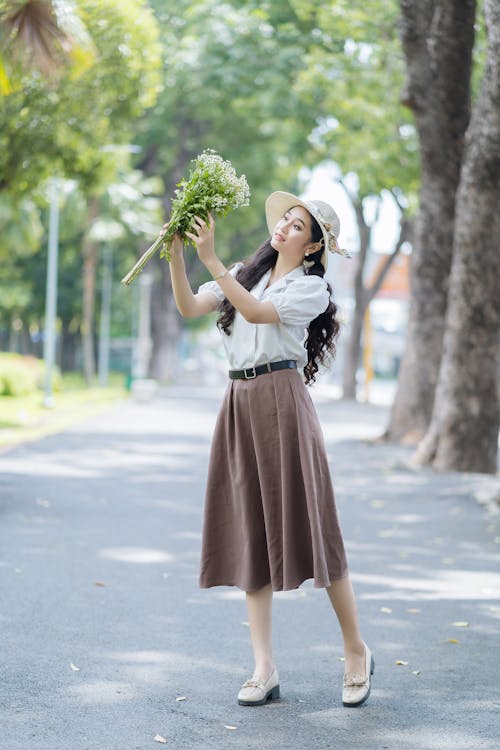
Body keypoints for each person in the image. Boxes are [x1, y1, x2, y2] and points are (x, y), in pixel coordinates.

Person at [167, 190, 374, 708]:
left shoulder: (312, 290)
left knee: (316, 529)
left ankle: (355, 650)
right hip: (238, 402)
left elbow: (258, 314)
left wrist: (212, 260)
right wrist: (176, 252)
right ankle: (264, 667)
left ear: (311, 247)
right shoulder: (246, 271)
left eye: (298, 224)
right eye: (285, 218)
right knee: (249, 535)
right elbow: (190, 305)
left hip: (282, 402)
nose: (284, 226)